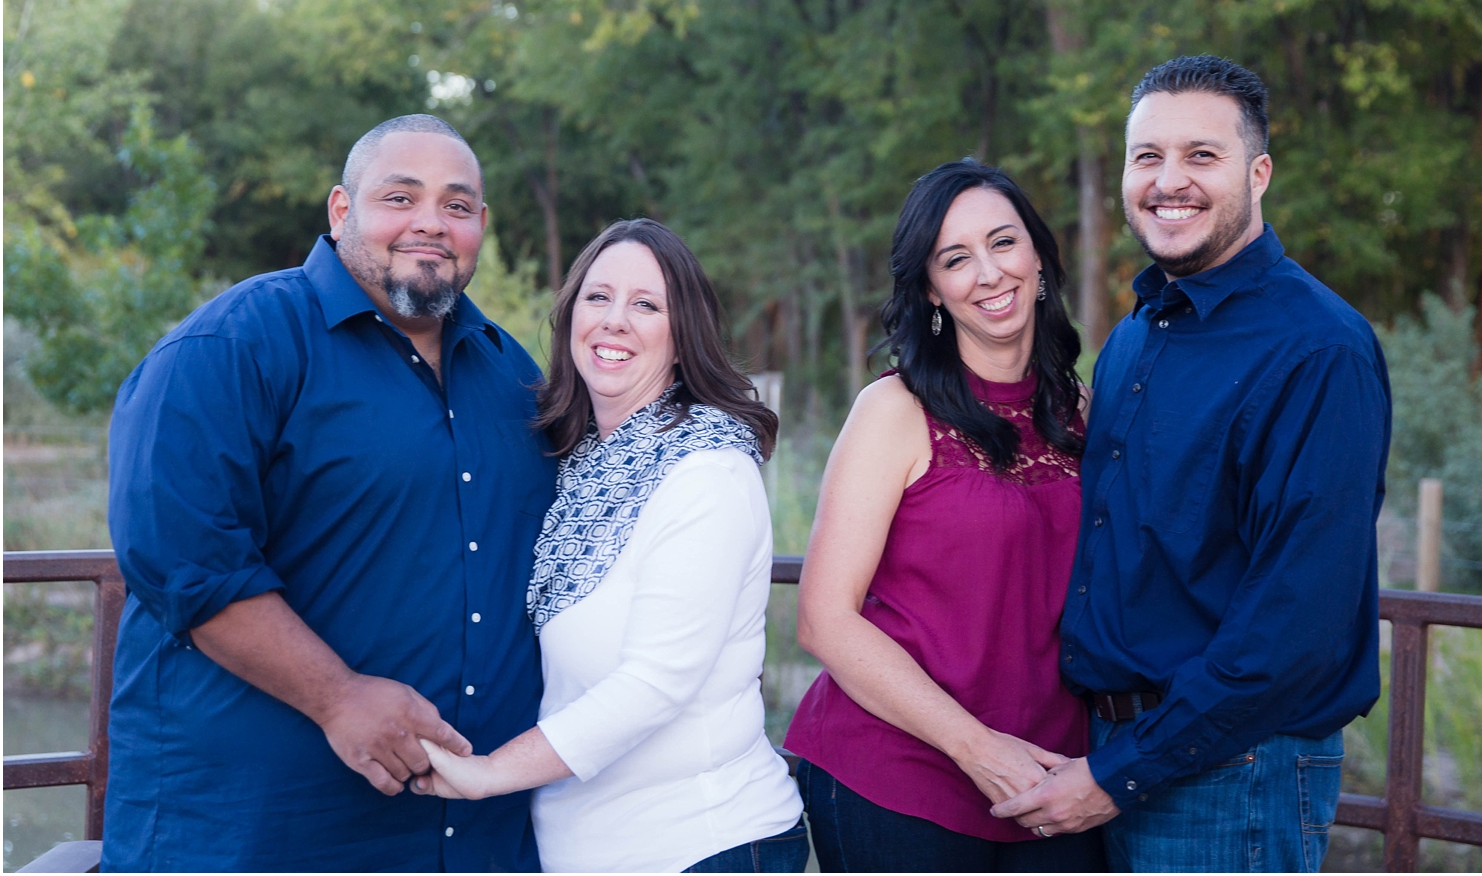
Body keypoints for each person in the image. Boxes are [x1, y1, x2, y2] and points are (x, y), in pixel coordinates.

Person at [103, 114, 556, 871]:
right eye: (400, 197)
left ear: (481, 224)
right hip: (256, 833)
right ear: (341, 211)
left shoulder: (515, 377)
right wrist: (338, 695)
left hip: (472, 836)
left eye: (456, 205)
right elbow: (186, 559)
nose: (429, 224)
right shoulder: (232, 346)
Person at [992, 56, 1392, 873]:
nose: (1169, 180)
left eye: (1201, 156)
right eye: (1149, 156)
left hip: (1233, 768)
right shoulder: (1140, 333)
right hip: (1119, 748)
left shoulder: (1318, 349)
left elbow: (1297, 625)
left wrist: (1118, 771)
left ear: (1259, 171)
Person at [412, 218, 808, 874]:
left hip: (702, 843)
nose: (615, 320)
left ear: (682, 337)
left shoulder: (705, 471)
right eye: (598, 298)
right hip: (588, 848)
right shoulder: (575, 469)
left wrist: (486, 774)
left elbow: (654, 684)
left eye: (646, 304)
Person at [782, 160, 1108, 872]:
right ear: (932, 288)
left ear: (1039, 257)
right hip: (899, 775)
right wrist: (975, 745)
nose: (988, 273)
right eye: (956, 259)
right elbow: (824, 618)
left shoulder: (1081, 411)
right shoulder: (893, 410)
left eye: (1003, 242)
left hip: (1053, 779)